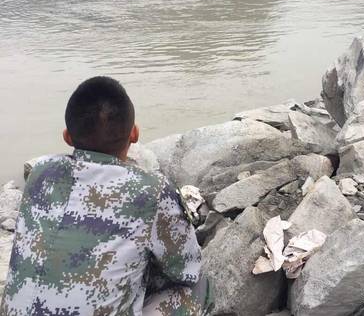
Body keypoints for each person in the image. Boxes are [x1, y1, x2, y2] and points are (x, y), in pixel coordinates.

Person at [1, 76, 212, 315]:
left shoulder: (40, 172)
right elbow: (186, 269)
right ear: (134, 134)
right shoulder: (152, 190)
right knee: (200, 287)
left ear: (67, 137)